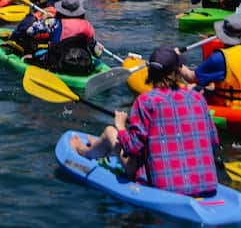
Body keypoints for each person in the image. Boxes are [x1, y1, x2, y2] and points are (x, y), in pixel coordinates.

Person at [70, 46, 222, 198]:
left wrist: (121, 126)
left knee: (111, 133)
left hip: (163, 188)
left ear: (150, 73)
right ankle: (101, 146)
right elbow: (213, 143)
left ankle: (83, 151)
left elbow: (132, 148)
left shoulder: (146, 101)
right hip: (206, 185)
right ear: (177, 72)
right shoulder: (198, 98)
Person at [187, 14, 241, 105]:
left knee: (192, 87)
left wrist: (175, 58)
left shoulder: (220, 57)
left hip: (231, 105)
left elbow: (191, 77)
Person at [41, 0, 103, 76]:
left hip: (58, 64)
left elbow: (30, 31)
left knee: (38, 53)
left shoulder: (53, 22)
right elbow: (96, 51)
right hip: (83, 63)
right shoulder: (87, 25)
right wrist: (98, 48)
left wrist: (43, 19)